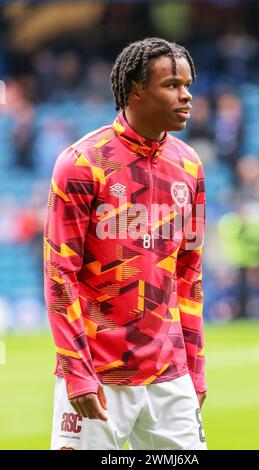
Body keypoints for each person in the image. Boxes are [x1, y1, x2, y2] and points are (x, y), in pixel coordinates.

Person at [44, 37, 207, 450]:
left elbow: (189, 274)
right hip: (98, 373)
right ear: (135, 89)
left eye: (187, 84)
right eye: (171, 85)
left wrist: (196, 367)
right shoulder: (82, 163)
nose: (186, 95)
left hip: (170, 376)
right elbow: (59, 273)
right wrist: (76, 369)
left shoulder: (189, 166)